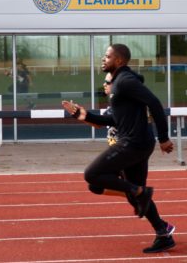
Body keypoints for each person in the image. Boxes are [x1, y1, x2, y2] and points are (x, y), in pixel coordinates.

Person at [62, 44, 175, 253]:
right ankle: (162, 232)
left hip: (134, 143)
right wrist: (80, 114)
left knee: (92, 174)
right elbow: (113, 119)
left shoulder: (125, 81)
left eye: (107, 56)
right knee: (137, 196)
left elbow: (155, 103)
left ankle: (137, 190)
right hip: (138, 142)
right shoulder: (119, 86)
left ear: (119, 61)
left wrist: (164, 138)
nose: (103, 59)